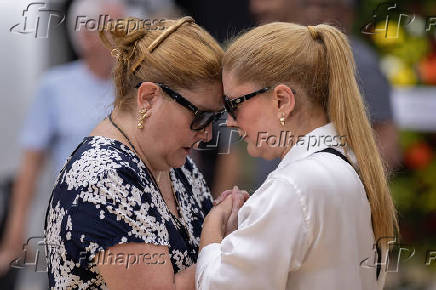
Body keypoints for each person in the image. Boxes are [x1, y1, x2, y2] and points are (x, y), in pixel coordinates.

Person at [196, 22, 398, 290]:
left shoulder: (294, 184)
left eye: (233, 105)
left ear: (282, 101)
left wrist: (213, 225)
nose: (229, 122)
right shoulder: (345, 164)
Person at [44, 16, 234, 289]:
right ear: (148, 98)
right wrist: (224, 234)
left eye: (214, 119)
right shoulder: (103, 180)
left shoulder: (177, 166)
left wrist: (232, 226)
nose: (207, 134)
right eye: (201, 116)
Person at [213, 0, 401, 195]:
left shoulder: (355, 60)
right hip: (269, 196)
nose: (258, 7)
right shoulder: (252, 59)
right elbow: (233, 152)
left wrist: (340, 189)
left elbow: (387, 142)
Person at [0, 0, 125, 277]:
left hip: (125, 225)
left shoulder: (135, 89)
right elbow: (31, 162)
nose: (125, 35)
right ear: (87, 36)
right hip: (71, 227)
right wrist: (16, 227)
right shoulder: (55, 87)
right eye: (115, 27)